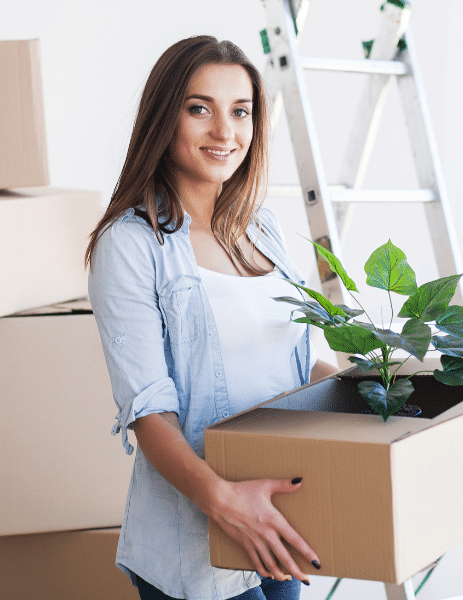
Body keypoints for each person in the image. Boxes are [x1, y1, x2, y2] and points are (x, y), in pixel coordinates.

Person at [86, 35, 339, 600]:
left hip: (278, 525)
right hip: (198, 544)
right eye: (200, 108)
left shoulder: (262, 229)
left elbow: (295, 364)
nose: (225, 132)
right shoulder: (132, 244)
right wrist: (229, 506)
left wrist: (384, 392)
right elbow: (150, 413)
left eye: (240, 111)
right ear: (164, 118)